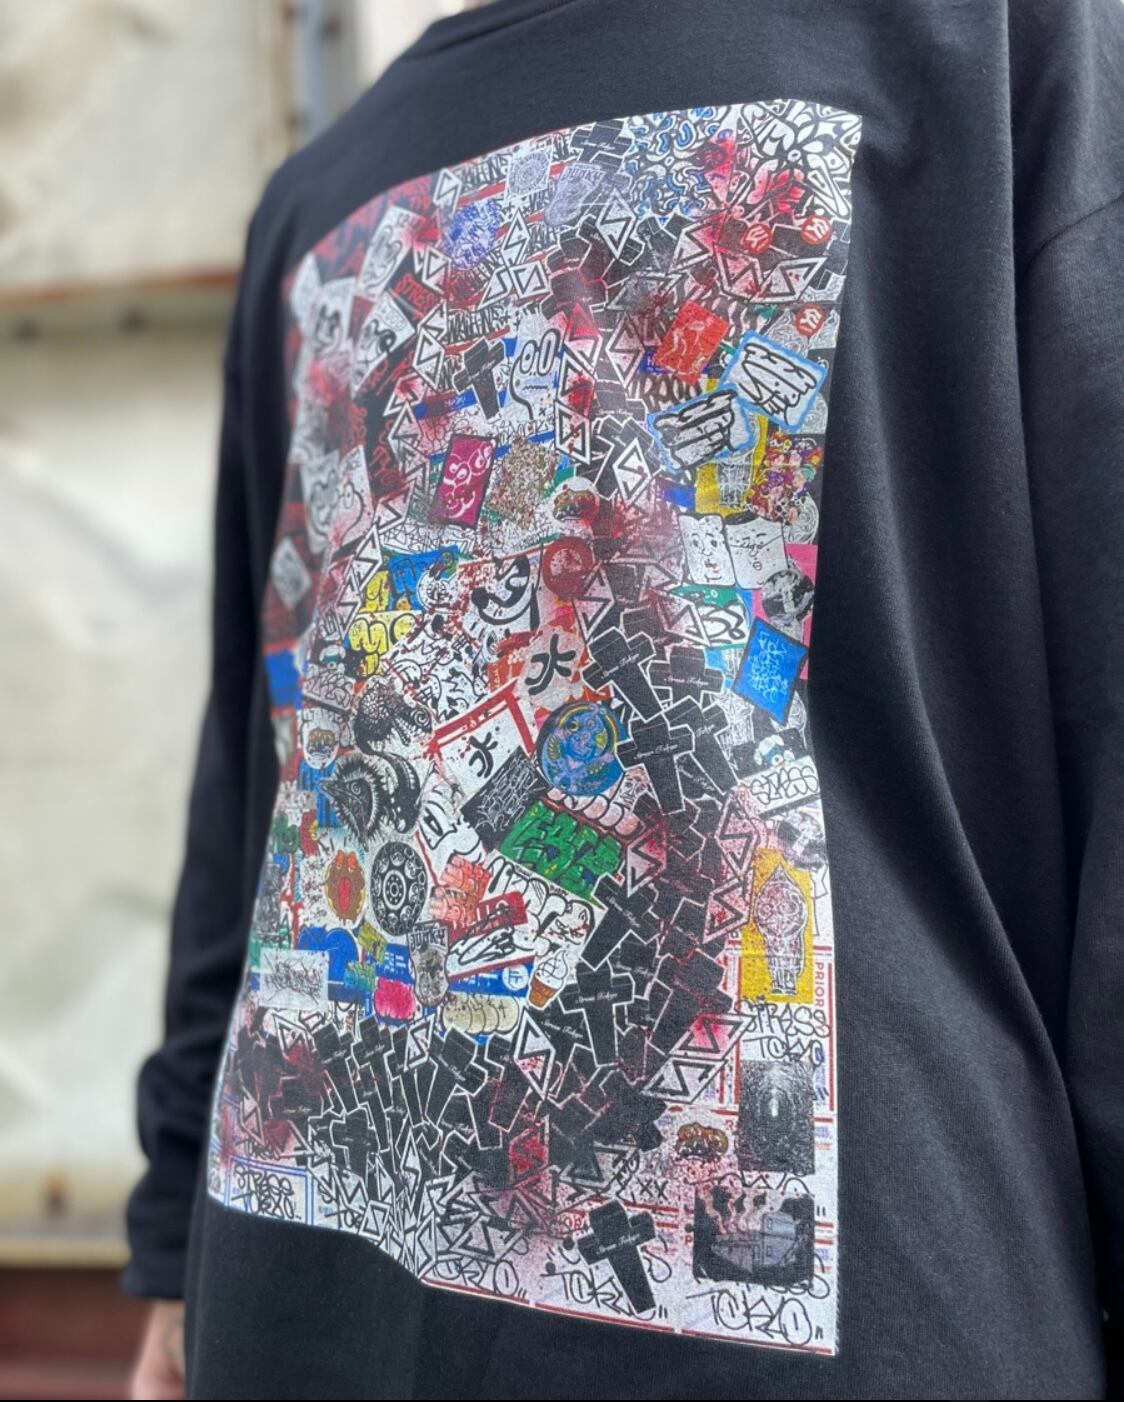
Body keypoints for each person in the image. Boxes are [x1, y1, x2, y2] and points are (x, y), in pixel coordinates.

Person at [125, 0, 1124, 1396]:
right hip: (313, 1293)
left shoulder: (1003, 45)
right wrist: (176, 1236)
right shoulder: (317, 200)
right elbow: (263, 757)